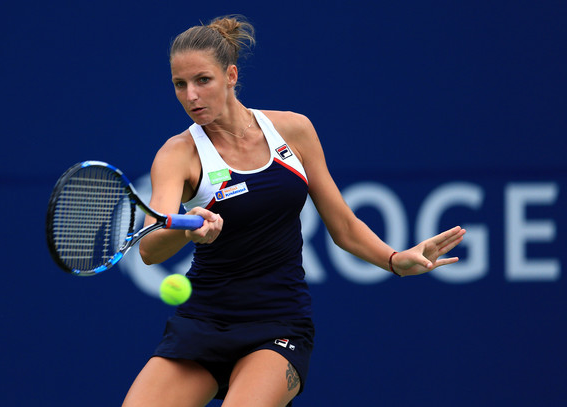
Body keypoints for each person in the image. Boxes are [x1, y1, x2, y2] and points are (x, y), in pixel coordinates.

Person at [122, 15, 466, 407]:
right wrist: (188, 228)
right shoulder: (177, 154)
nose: (191, 96)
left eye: (203, 80)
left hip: (277, 325)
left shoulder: (293, 130)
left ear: (231, 75)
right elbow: (149, 248)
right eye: (179, 85)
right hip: (202, 322)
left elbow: (343, 226)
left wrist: (393, 259)